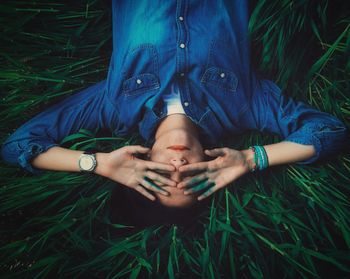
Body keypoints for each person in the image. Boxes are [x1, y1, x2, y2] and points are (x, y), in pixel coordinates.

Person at [1, 1, 347, 224]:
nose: (178, 169)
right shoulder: (245, 105)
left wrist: (98, 163)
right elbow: (328, 132)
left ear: (141, 163)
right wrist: (250, 159)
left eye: (162, 178)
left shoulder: (112, 105)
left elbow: (19, 146)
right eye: (193, 180)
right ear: (212, 170)